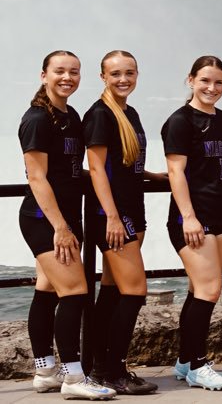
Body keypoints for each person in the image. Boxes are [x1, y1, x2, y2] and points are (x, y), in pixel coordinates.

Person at [23, 50, 117, 399]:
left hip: (62, 218)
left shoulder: (69, 114)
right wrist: (61, 227)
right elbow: (36, 177)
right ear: (43, 75)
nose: (67, 78)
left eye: (74, 72)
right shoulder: (37, 119)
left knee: (47, 291)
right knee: (76, 292)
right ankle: (74, 378)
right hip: (43, 219)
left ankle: (45, 369)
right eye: (59, 71)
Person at [82, 50, 159, 395]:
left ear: (137, 74)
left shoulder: (131, 112)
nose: (123, 79)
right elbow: (97, 168)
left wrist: (156, 175)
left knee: (112, 293)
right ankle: (113, 370)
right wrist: (112, 217)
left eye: (129, 72)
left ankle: (101, 368)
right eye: (115, 74)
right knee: (135, 291)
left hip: (132, 209)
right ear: (103, 77)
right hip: (113, 217)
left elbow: (127, 163)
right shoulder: (99, 114)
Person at [163, 56, 222, 391]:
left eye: (218, 82)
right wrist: (189, 217)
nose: (211, 88)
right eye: (205, 80)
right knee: (210, 289)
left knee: (200, 290)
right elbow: (176, 171)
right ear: (191, 79)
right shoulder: (179, 121)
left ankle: (184, 360)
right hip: (193, 216)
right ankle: (197, 365)